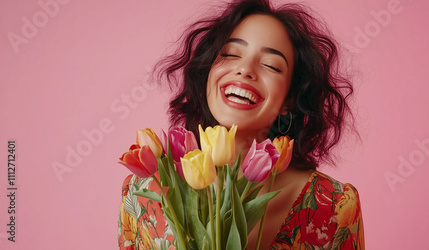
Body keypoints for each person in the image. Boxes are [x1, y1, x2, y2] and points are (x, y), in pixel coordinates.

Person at [118, 0, 364, 249]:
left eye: (271, 65)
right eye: (230, 54)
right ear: (207, 74)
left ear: (289, 99)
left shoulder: (333, 205)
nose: (245, 69)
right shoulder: (142, 195)